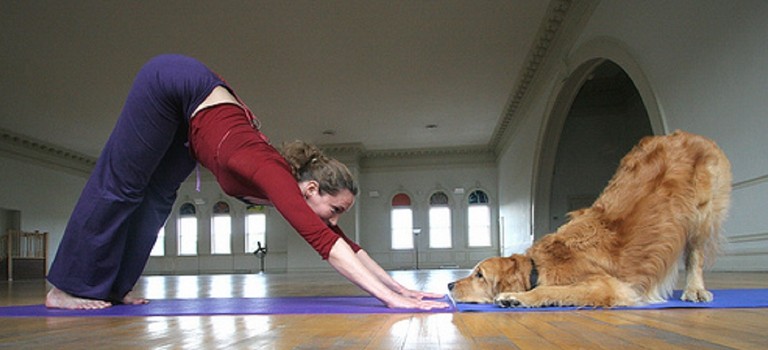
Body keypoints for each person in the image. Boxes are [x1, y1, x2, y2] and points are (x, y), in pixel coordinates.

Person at [45, 54, 449, 311]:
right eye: (336, 210)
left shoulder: (290, 187)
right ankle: (66, 286)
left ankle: (115, 287)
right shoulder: (275, 175)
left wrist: (402, 287)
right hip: (172, 83)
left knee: (157, 199)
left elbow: (347, 245)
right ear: (310, 190)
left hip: (192, 127)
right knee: (124, 185)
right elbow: (327, 245)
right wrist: (390, 299)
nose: (335, 221)